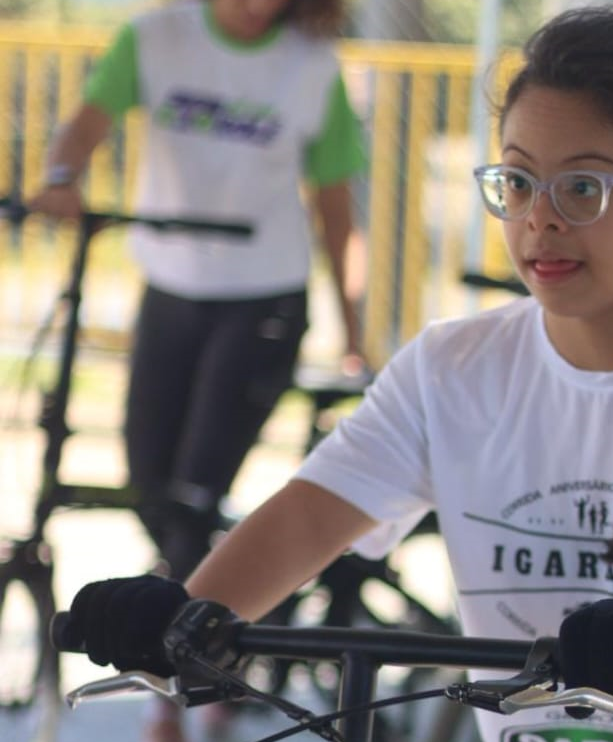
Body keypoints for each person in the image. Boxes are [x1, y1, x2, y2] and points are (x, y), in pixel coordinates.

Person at [57, 4, 613, 741]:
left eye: (584, 189)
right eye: (517, 181)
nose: (539, 220)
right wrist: (181, 615)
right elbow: (308, 516)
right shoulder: (451, 367)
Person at [30, 0, 367, 740]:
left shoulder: (312, 68)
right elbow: (89, 119)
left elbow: (337, 207)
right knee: (151, 483)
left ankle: (186, 679)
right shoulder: (157, 36)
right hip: (171, 291)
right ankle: (223, 632)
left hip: (261, 302)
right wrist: (62, 175)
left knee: (194, 492)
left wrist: (354, 331)